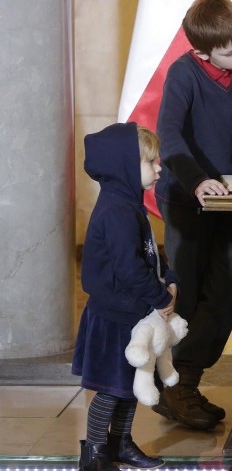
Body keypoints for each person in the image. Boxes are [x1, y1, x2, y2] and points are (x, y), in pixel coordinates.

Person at [153, 0, 232, 430]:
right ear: (201, 52)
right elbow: (170, 137)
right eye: (230, 51)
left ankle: (186, 381)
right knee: (188, 294)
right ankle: (173, 385)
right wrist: (197, 180)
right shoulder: (183, 74)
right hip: (185, 197)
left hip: (229, 199)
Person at [73, 123, 178, 471]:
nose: (159, 167)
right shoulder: (117, 210)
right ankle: (95, 452)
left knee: (131, 384)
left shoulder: (129, 203)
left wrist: (169, 279)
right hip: (113, 316)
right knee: (112, 388)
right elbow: (130, 268)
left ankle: (119, 443)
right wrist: (161, 298)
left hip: (131, 312)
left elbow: (149, 253)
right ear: (124, 166)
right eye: (151, 161)